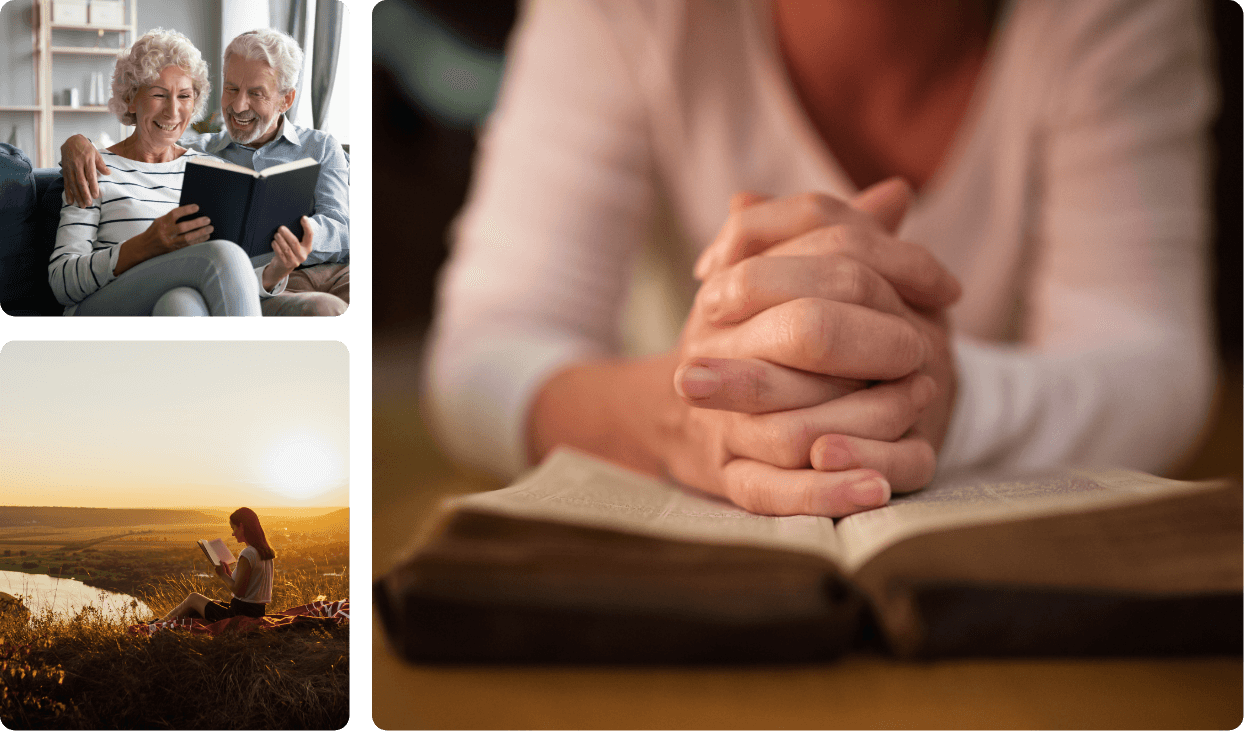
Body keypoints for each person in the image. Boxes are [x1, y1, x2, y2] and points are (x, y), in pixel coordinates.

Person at [423, 0, 1218, 518]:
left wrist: (937, 396)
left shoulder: (1116, 18)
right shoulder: (617, 14)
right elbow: (481, 354)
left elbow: (1155, 360)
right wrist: (684, 418)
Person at [60, 28, 350, 316]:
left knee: (181, 305)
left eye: (184, 96)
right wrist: (76, 142)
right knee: (222, 257)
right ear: (132, 98)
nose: (173, 112)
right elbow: (64, 282)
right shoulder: (93, 167)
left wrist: (275, 266)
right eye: (160, 94)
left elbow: (231, 275)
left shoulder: (207, 166)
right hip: (108, 298)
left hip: (203, 289)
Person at [159, 508, 275, 623]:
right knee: (212, 602)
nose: (233, 533)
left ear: (242, 526)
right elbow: (251, 586)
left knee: (193, 597)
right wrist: (229, 574)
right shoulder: (265, 553)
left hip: (239, 615)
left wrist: (223, 575)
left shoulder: (248, 553)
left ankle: (157, 625)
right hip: (256, 612)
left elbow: (239, 592)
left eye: (233, 528)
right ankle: (161, 622)